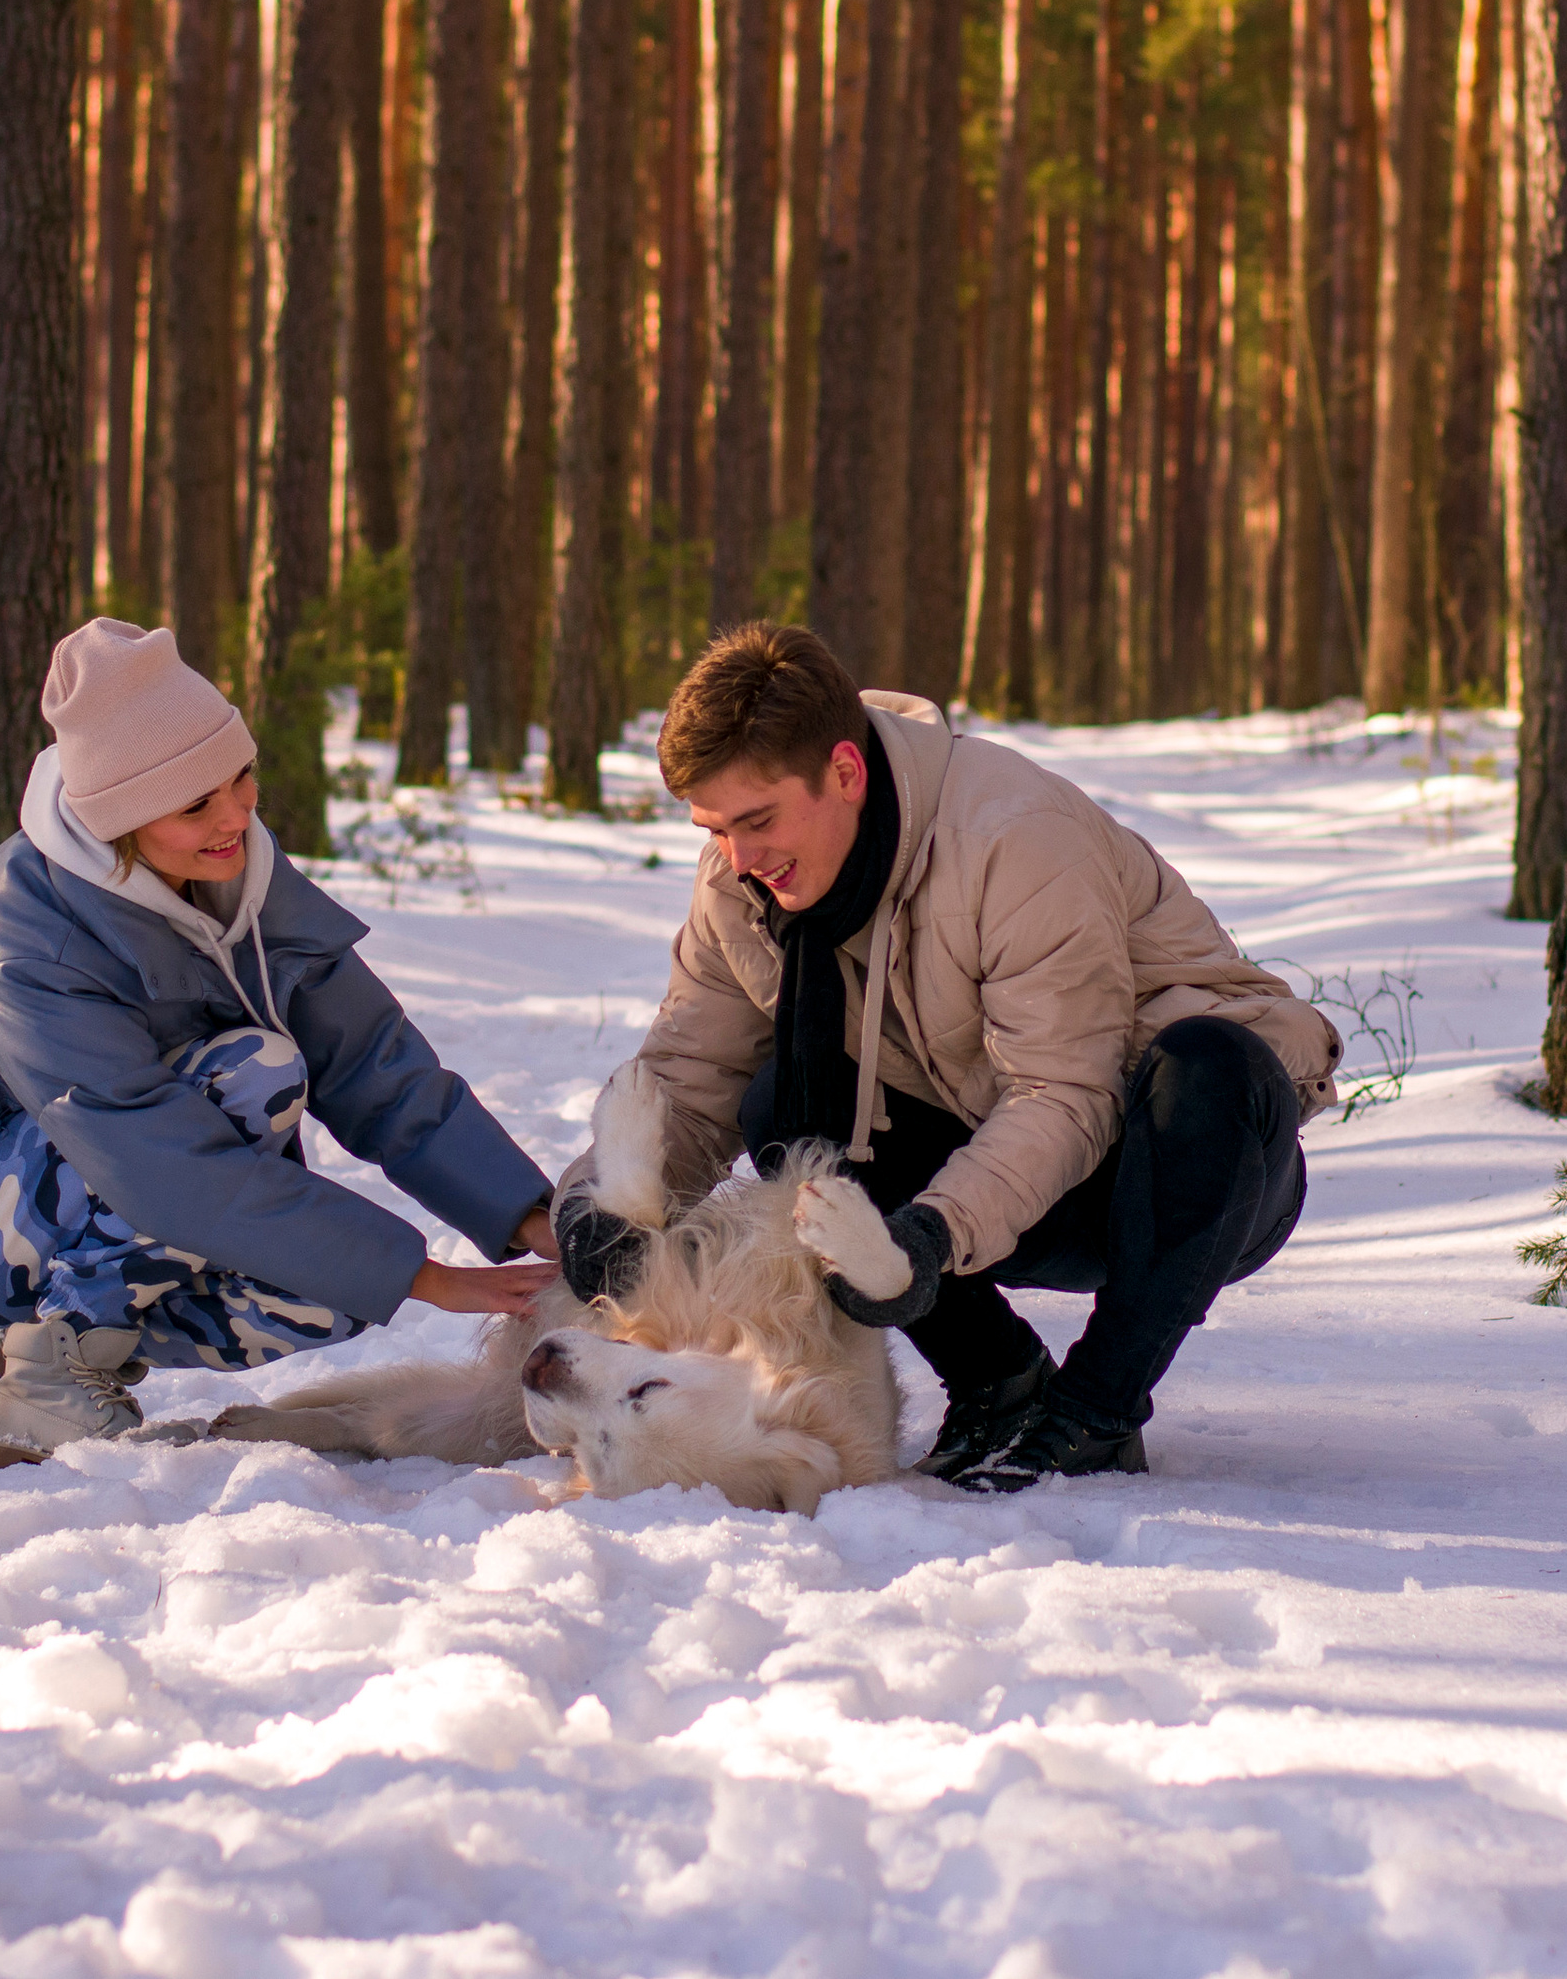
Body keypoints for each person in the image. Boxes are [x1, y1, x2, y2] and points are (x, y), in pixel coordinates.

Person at [555, 623, 1340, 1492]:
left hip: (1188, 1172)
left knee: (1206, 1066)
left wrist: (924, 1242)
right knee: (786, 1099)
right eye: (714, 827)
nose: (738, 858)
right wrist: (596, 1212)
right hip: (991, 1147)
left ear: (845, 774)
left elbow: (1066, 1096)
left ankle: (1097, 1415)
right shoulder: (742, 884)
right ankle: (997, 1386)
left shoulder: (1012, 839)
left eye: (758, 819)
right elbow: (689, 1080)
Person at [0, 617, 558, 1466]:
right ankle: (50, 1385)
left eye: (241, 777)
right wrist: (426, 1278)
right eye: (196, 803)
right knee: (256, 1079)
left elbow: (372, 1063)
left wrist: (527, 1216)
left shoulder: (233, 869)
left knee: (330, 1291)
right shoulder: (26, 936)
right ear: (118, 816)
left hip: (98, 1175)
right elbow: (153, 1156)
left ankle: (59, 1329)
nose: (236, 814)